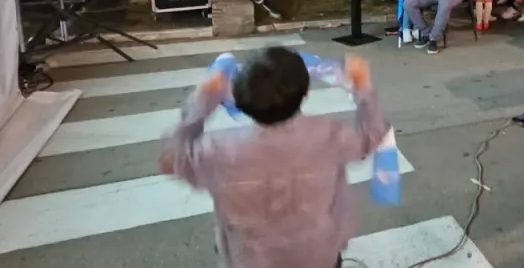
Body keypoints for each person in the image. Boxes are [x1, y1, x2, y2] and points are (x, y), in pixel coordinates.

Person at [159, 49, 387, 268]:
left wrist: (204, 98)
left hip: (247, 260)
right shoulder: (330, 136)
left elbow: (171, 156)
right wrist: (362, 87)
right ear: (305, 93)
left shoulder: (217, 151)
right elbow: (372, 136)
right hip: (317, 256)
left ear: (239, 99)